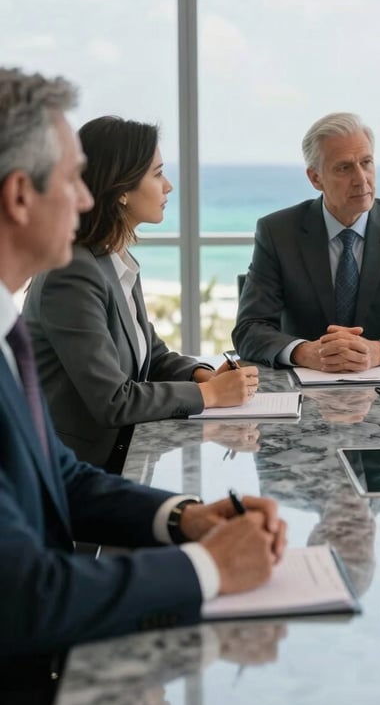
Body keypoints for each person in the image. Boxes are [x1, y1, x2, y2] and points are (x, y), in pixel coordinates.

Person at [0, 67, 287, 654]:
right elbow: (28, 595)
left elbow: (61, 475)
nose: (85, 198)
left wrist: (186, 517)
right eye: (73, 179)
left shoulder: (11, 328)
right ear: (21, 196)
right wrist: (210, 567)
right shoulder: (68, 278)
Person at [22, 116, 259, 469]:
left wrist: (203, 376)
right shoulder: (72, 274)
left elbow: (153, 355)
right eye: (157, 174)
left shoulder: (113, 258)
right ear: (121, 189)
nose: (168, 186)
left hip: (125, 452)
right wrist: (209, 394)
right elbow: (113, 401)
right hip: (81, 469)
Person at [233, 112, 380, 371]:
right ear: (315, 178)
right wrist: (304, 352)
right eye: (344, 168)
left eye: (366, 163)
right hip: (304, 381)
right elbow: (249, 329)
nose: (361, 179)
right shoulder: (278, 232)